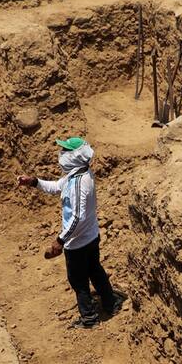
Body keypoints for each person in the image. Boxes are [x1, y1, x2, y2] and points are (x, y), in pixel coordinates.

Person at [17, 138, 122, 328]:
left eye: (65, 151)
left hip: (78, 243)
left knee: (78, 281)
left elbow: (77, 218)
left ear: (74, 156)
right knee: (95, 271)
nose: (61, 154)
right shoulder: (77, 175)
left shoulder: (78, 184)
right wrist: (34, 182)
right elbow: (57, 186)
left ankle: (89, 318)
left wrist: (60, 240)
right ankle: (110, 303)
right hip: (90, 237)